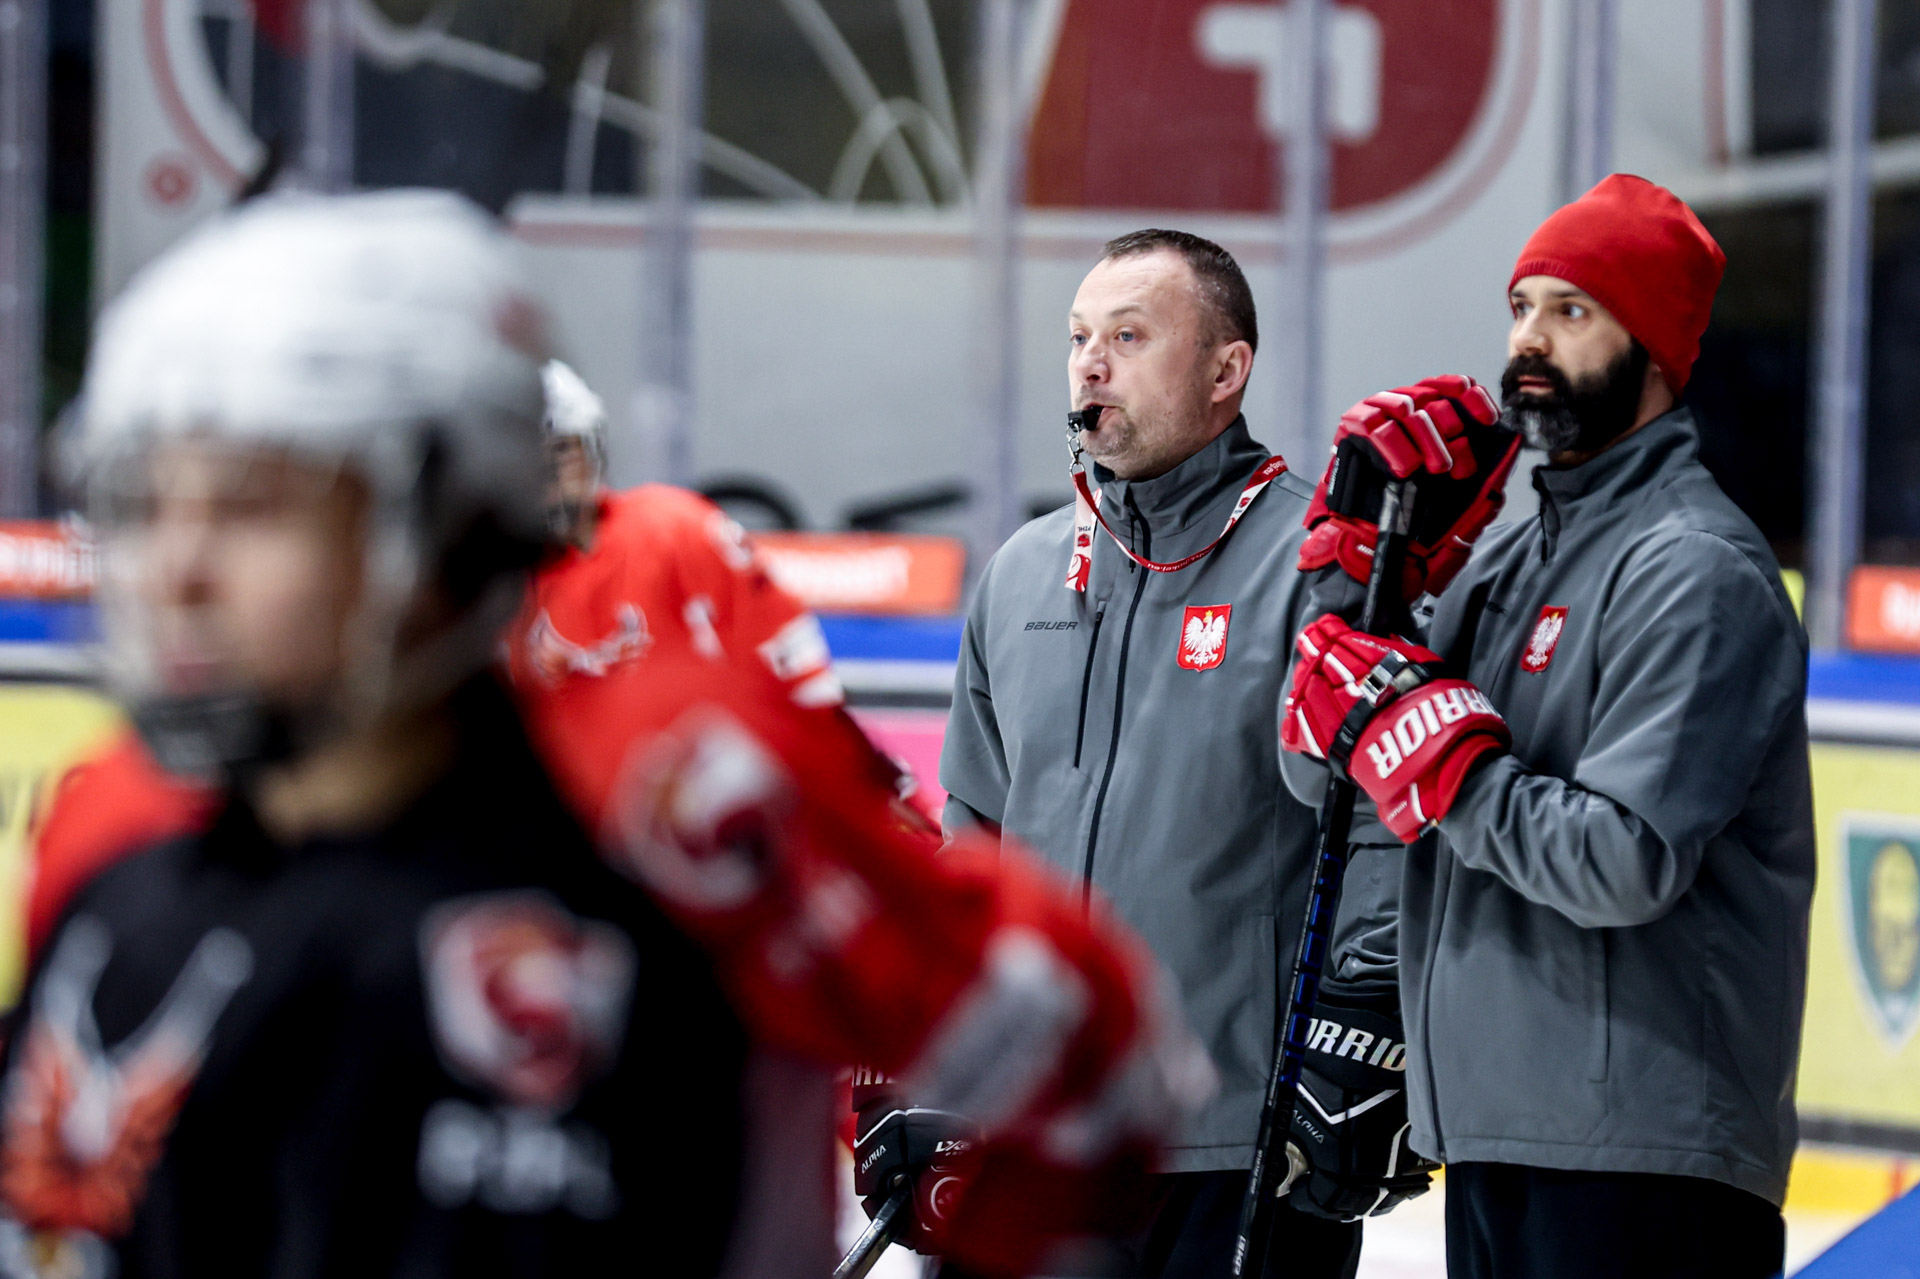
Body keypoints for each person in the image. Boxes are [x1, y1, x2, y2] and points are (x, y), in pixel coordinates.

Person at [4, 191, 1211, 1279]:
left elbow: (1089, 1054)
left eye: (256, 506)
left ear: (454, 514)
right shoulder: (107, 830)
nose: (182, 570)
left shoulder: (678, 803)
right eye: (148, 503)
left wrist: (1006, 1224)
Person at [1279, 174, 1815, 1279]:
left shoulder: (1697, 569)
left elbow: (1623, 859)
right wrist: (1360, 587)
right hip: (1498, 1131)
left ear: (1654, 347)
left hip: (1647, 1157)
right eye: (1521, 307)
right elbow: (1327, 776)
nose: (1529, 339)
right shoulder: (1507, 563)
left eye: (1572, 311)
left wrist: (1443, 762)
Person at [940, 230, 1497, 1275]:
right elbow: (971, 827)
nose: (1090, 364)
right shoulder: (1019, 575)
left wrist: (1361, 1018)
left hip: (1243, 1146)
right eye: (1079, 337)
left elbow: (1394, 816)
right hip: (1035, 1136)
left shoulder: (1321, 567)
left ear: (1225, 369)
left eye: (1129, 336)